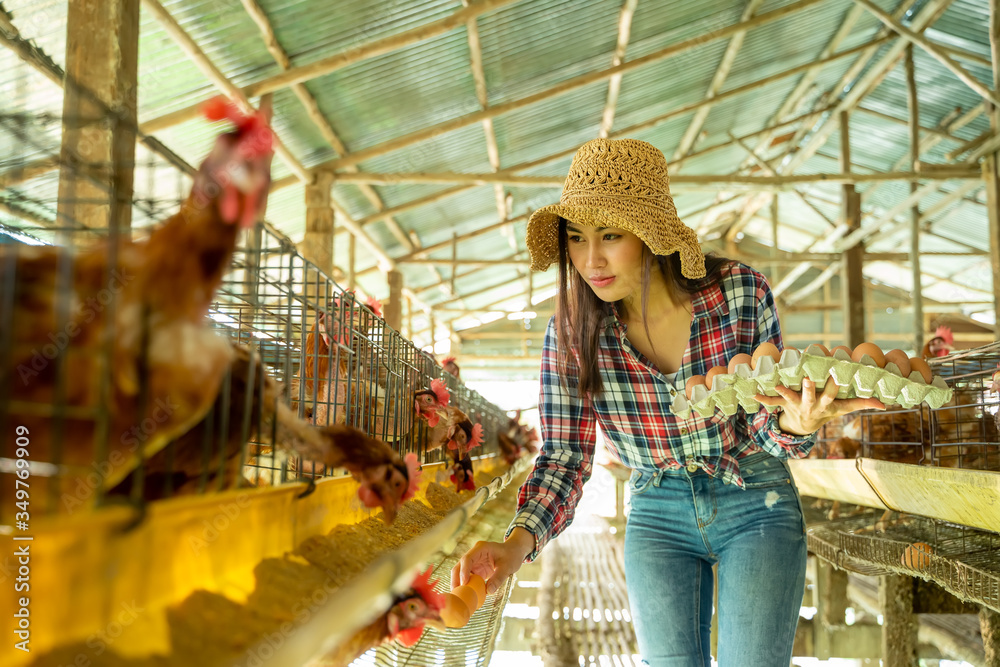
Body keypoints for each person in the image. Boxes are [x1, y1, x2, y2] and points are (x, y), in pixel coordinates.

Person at [451, 138, 886, 666]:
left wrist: (796, 424)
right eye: (576, 237)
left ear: (650, 233)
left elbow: (768, 433)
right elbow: (565, 459)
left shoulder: (739, 294)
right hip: (658, 509)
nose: (591, 259)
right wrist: (515, 545)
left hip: (755, 499)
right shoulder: (570, 332)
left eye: (610, 234)